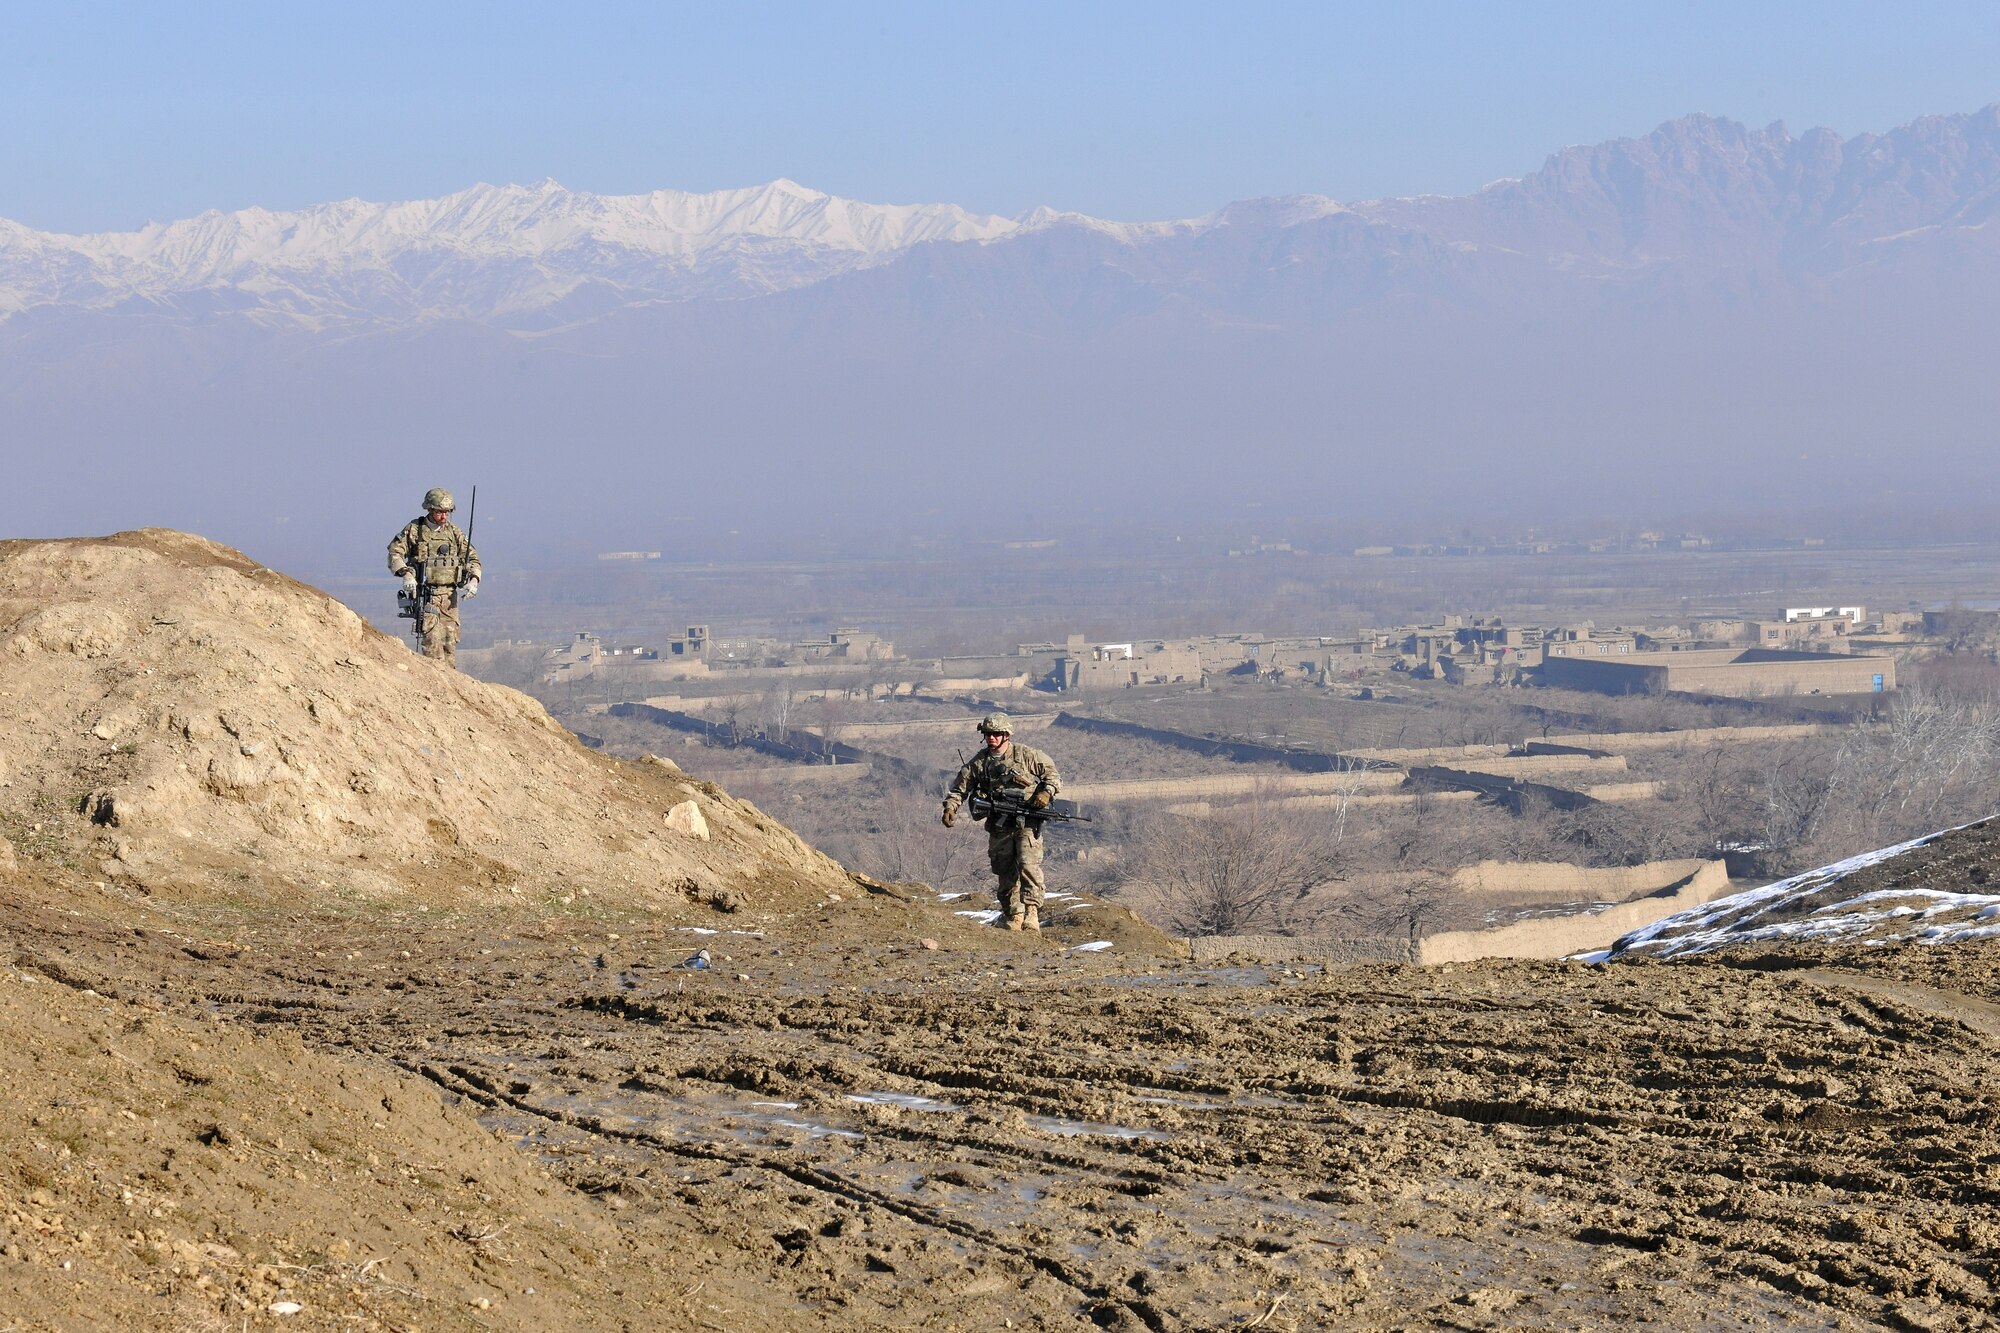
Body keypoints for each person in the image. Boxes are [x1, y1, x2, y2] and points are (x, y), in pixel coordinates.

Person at [941, 714, 1061, 931]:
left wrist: (1046, 793)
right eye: (988, 734)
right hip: (1000, 825)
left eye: (996, 734)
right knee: (1004, 870)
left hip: (1027, 821)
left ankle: (1031, 913)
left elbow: (1053, 775)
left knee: (1028, 865)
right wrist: (951, 807)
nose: (992, 738)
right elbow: (960, 788)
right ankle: (1014, 914)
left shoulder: (1025, 755)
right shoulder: (980, 762)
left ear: (1006, 735)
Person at [387, 487, 481, 666]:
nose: (443, 517)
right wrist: (406, 574)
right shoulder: (415, 530)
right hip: (427, 595)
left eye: (447, 512)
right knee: (432, 647)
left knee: (449, 647)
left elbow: (473, 558)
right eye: (439, 512)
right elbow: (395, 553)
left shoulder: (454, 533)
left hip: (449, 599)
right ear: (429, 509)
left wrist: (474, 580)